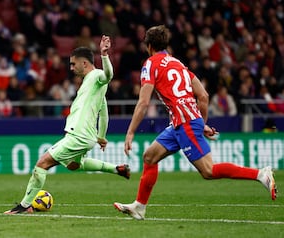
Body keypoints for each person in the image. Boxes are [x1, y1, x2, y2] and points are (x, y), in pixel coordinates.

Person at [113, 25, 277, 220]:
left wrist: (131, 132)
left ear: (149, 46)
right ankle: (140, 206)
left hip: (185, 123)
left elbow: (143, 102)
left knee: (208, 171)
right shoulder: (179, 64)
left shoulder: (150, 64)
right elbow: (204, 96)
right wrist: (201, 122)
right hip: (181, 123)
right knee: (149, 157)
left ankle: (260, 174)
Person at [4, 35, 130, 214]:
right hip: (86, 136)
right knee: (74, 165)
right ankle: (117, 169)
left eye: (73, 64)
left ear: (84, 63)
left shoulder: (96, 76)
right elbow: (104, 112)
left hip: (78, 135)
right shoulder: (93, 86)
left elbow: (108, 74)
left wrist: (104, 55)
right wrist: (101, 135)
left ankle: (24, 207)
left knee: (42, 164)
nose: (71, 68)